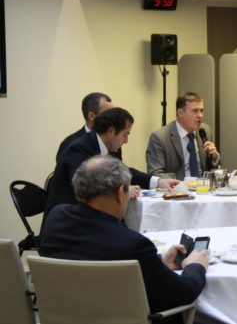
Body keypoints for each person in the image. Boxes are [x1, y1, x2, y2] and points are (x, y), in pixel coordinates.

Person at [40, 155, 208, 324]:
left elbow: (91, 257)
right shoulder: (132, 244)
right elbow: (183, 294)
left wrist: (158, 263)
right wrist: (195, 266)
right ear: (121, 193)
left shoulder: (56, 218)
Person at [46, 107, 178, 216]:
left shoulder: (113, 147)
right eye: (125, 134)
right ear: (111, 131)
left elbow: (123, 171)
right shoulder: (79, 148)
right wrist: (119, 189)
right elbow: (82, 186)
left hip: (95, 213)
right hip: (69, 217)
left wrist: (158, 181)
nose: (126, 141)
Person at [146, 92, 220, 180]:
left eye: (201, 111)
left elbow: (213, 169)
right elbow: (155, 174)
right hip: (177, 190)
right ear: (180, 113)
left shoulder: (205, 130)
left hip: (204, 189)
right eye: (195, 111)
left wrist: (214, 157)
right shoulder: (160, 137)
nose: (200, 115)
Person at [55, 92, 113, 164]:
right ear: (91, 116)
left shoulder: (113, 141)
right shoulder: (70, 144)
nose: (113, 118)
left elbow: (119, 171)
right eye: (109, 114)